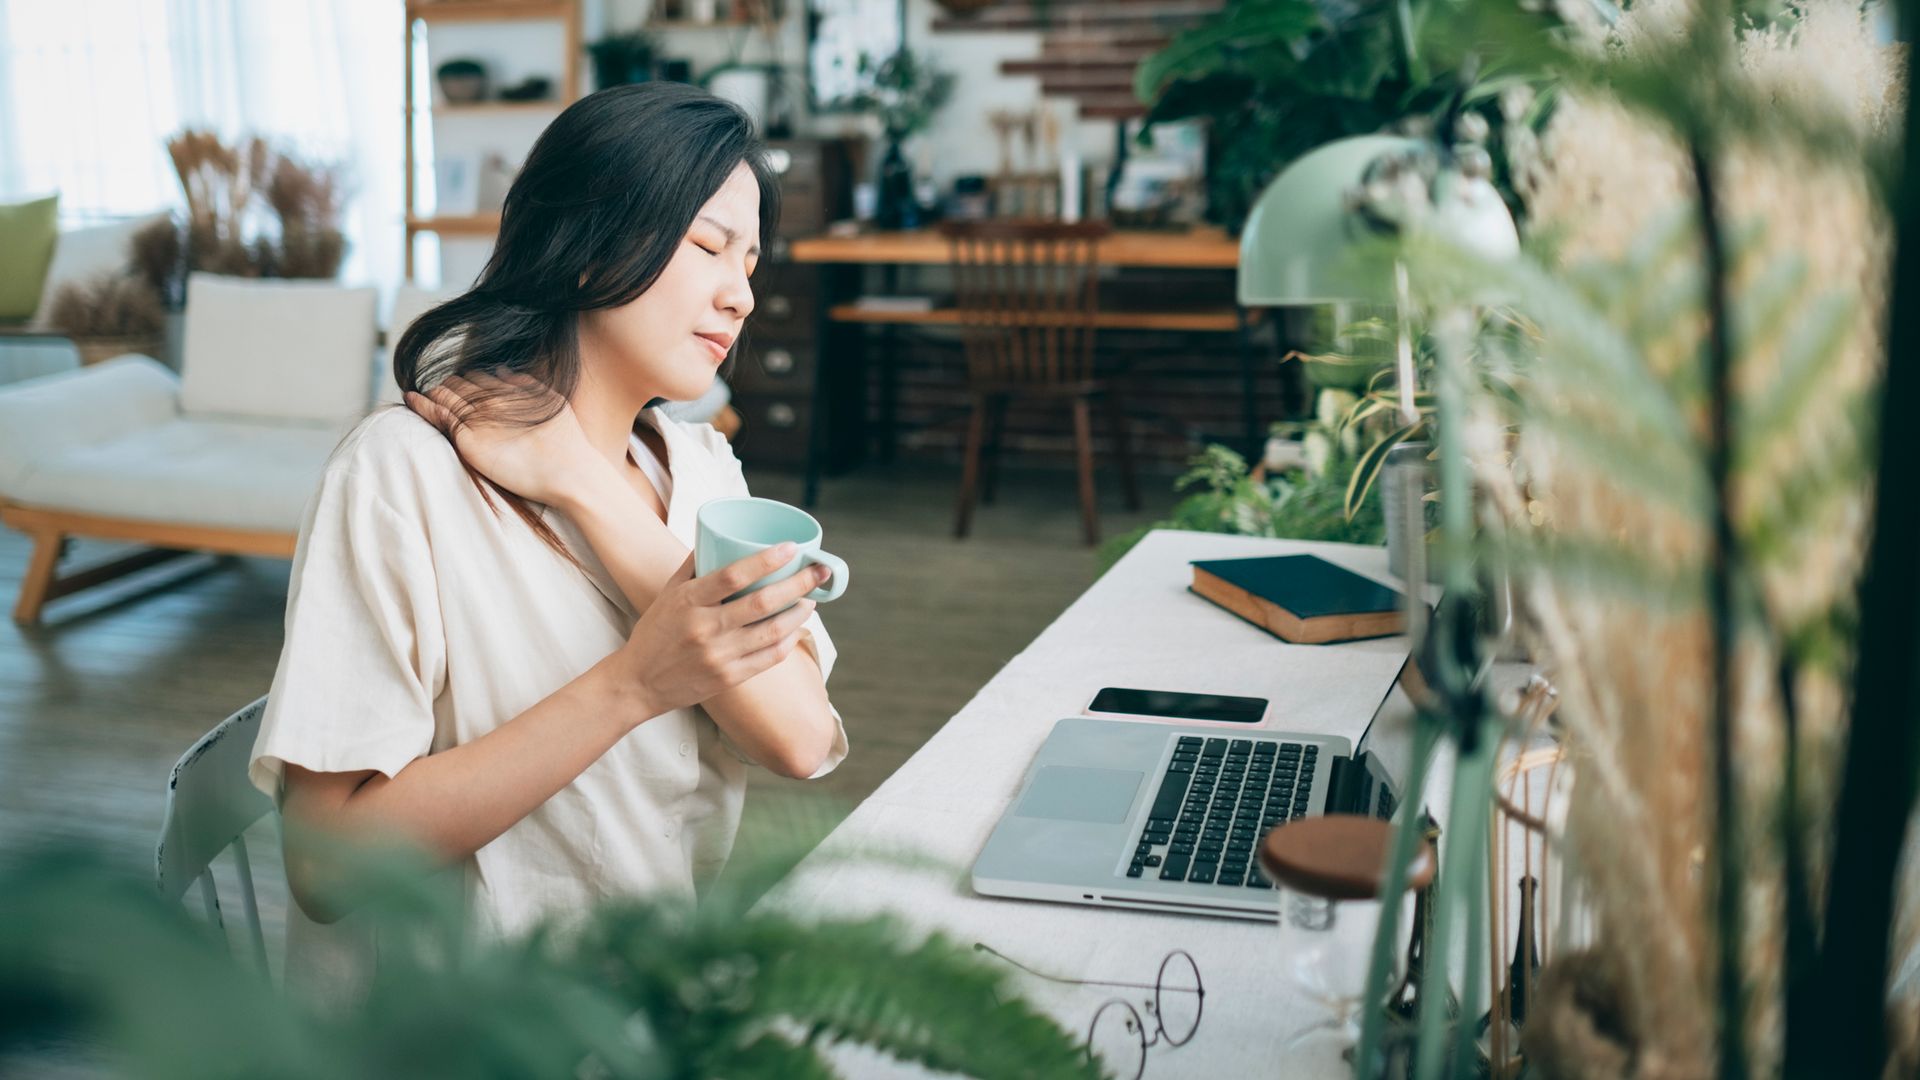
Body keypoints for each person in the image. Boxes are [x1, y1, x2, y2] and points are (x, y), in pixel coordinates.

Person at [247, 82, 846, 1000]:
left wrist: (582, 487)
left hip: (648, 1007)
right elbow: (327, 869)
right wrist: (634, 686)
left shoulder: (701, 472)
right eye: (710, 246)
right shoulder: (402, 474)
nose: (743, 296)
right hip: (456, 1035)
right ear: (585, 247)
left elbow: (802, 740)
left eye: (754, 261)